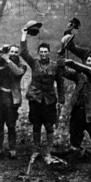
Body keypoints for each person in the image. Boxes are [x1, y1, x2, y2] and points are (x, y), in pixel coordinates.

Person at [20, 22, 65, 163]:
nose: (44, 54)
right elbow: (23, 52)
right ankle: (36, 150)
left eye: (46, 52)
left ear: (49, 53)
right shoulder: (34, 63)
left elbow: (61, 83)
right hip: (35, 98)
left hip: (49, 100)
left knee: (49, 125)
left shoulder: (55, 66)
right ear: (39, 53)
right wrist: (23, 34)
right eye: (41, 52)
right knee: (36, 125)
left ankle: (48, 152)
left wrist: (61, 100)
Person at [59, 51, 91, 176]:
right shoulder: (79, 75)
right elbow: (64, 72)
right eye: (89, 61)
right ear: (85, 61)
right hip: (77, 112)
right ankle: (72, 164)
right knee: (75, 140)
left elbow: (90, 71)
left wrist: (73, 63)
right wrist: (60, 59)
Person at [0, 44, 27, 159]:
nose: (14, 54)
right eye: (12, 52)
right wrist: (2, 49)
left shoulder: (21, 65)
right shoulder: (1, 62)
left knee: (11, 125)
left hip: (12, 98)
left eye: (16, 52)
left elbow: (18, 72)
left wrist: (7, 60)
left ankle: (12, 148)